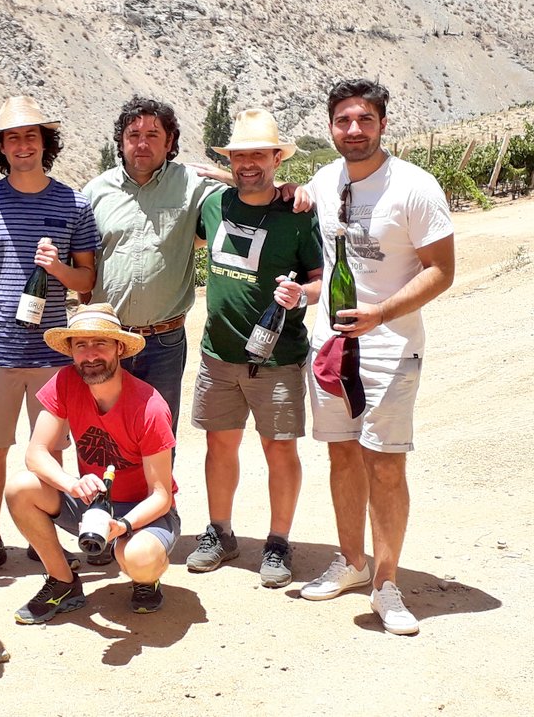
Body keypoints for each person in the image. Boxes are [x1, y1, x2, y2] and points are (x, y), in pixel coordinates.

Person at [295, 79, 454, 635]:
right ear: (331, 126)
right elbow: (300, 197)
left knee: (384, 463)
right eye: (343, 120)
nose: (354, 130)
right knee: (341, 456)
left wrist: (380, 314)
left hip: (389, 344)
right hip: (331, 345)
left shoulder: (415, 187)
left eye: (364, 119)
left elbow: (442, 270)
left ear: (382, 124)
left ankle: (386, 585)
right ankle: (352, 563)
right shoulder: (327, 178)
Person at [0, 96, 100, 582]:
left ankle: (45, 534)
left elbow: (85, 282)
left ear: (46, 143)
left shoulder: (73, 203)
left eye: (31, 136)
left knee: (51, 453)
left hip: (53, 354)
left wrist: (56, 267)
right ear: (1, 147)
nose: (22, 145)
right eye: (12, 137)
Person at [183, 109, 323, 588]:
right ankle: (219, 532)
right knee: (219, 445)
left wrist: (301, 295)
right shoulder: (215, 205)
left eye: (257, 155)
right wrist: (230, 176)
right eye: (239, 156)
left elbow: (319, 280)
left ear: (276, 159)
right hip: (218, 354)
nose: (248, 163)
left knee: (279, 449)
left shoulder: (300, 214)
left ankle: (278, 541)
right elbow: (220, 200)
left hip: (278, 357)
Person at [5, 303, 180, 622]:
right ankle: (63, 582)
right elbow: (36, 453)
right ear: (71, 351)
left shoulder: (149, 407)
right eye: (81, 345)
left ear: (119, 347)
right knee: (21, 488)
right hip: (94, 506)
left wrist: (123, 527)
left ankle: (146, 577)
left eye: (100, 343)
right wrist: (71, 483)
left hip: (143, 511)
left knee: (139, 558)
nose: (90, 354)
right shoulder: (65, 382)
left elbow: (161, 495)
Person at [82, 97, 225, 441]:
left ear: (170, 141)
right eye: (133, 134)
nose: (142, 143)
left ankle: (162, 497)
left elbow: (253, 187)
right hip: (107, 339)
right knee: (103, 436)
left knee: (158, 437)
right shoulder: (95, 192)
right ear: (121, 141)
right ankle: (105, 497)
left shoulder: (193, 184)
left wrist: (224, 173)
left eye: (153, 134)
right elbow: (82, 261)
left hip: (163, 342)